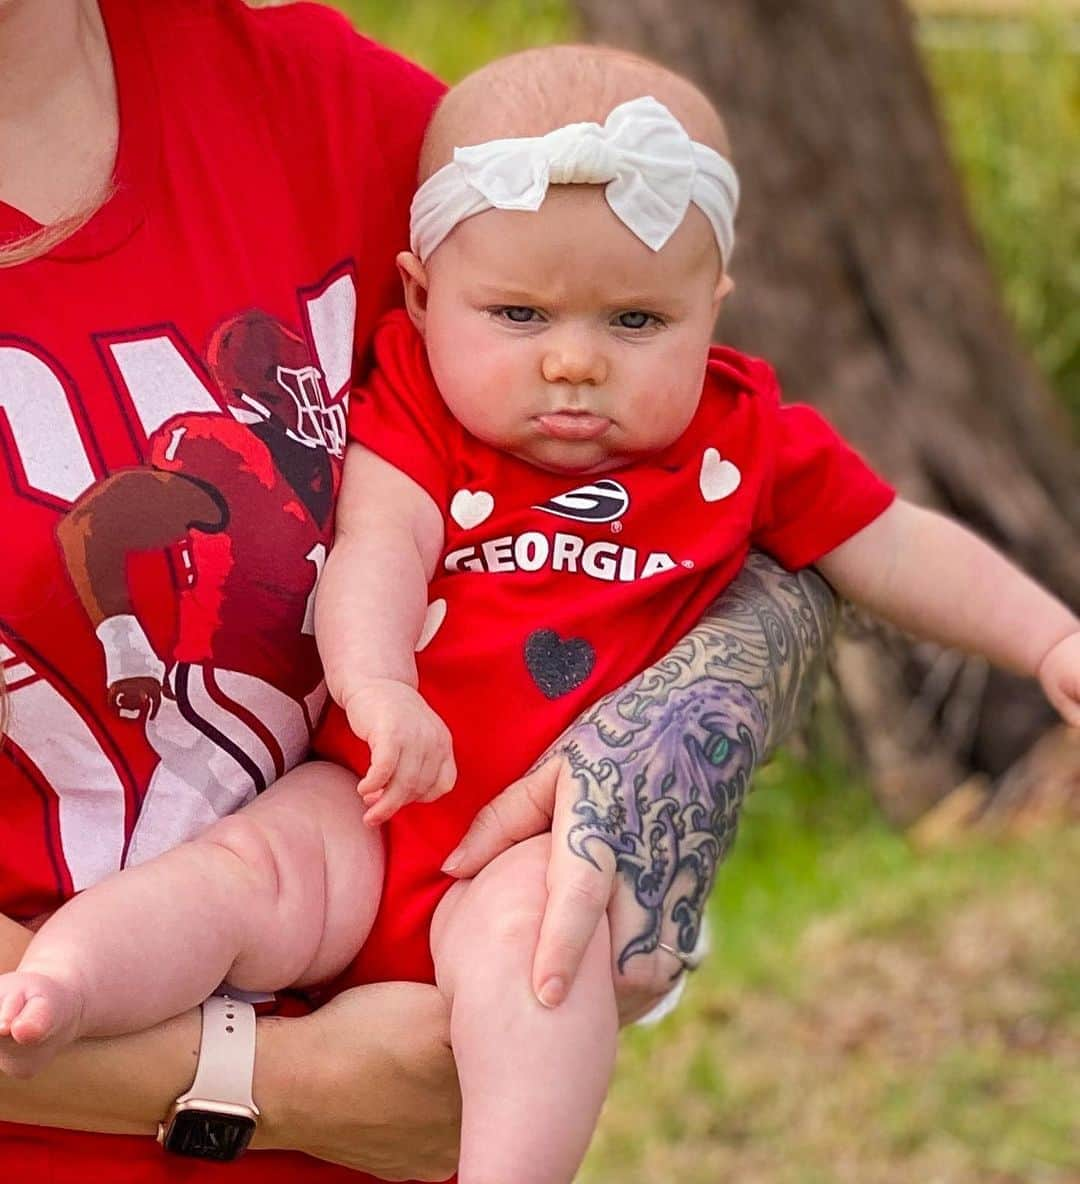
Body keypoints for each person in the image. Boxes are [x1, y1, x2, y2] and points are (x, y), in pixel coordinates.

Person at [5, 38, 1079, 1184]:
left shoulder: (740, 439)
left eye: (633, 324)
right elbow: (375, 548)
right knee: (239, 880)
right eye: (520, 317)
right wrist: (378, 690)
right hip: (369, 794)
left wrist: (1048, 636)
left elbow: (893, 546)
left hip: (521, 849)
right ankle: (62, 984)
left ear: (713, 305)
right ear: (425, 296)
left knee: (541, 966)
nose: (573, 363)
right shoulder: (425, 405)